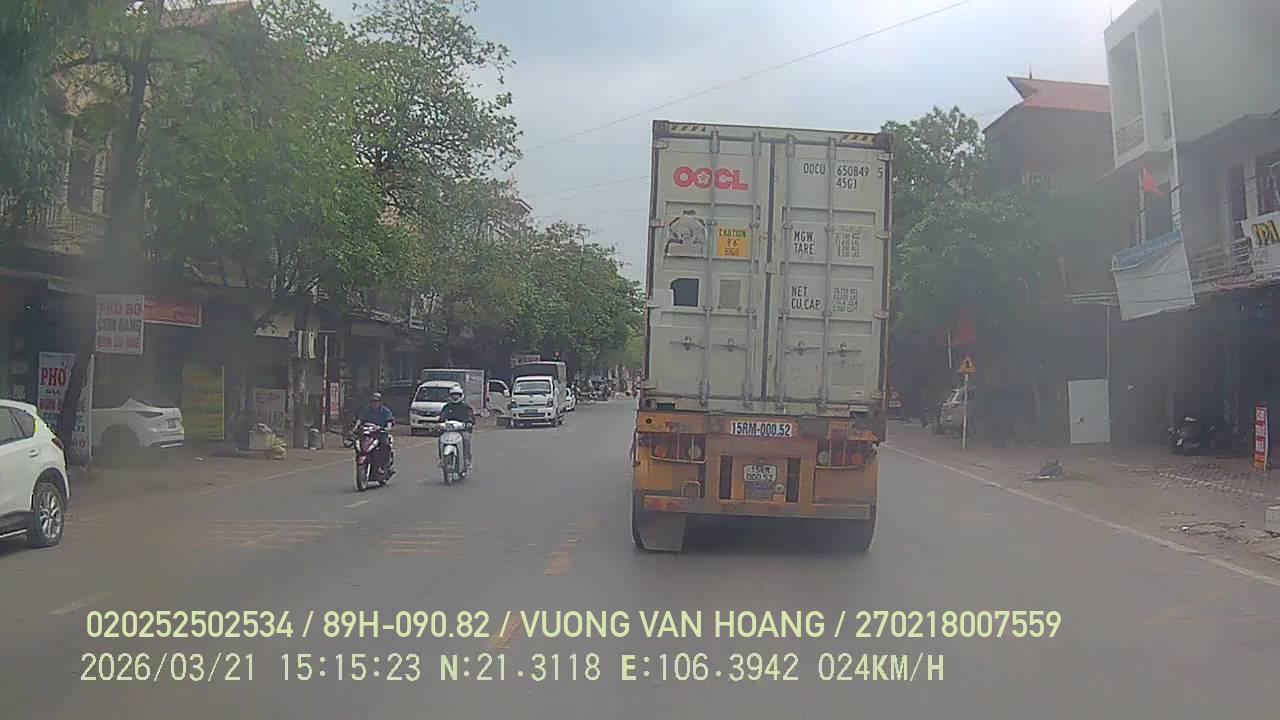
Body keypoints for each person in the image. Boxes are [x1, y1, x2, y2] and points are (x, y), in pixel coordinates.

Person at [356, 391, 395, 471]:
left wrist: (387, 428)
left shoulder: (385, 411)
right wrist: (355, 428)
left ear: (380, 402)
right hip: (368, 434)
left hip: (380, 434)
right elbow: (360, 420)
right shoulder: (366, 410)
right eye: (372, 401)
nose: (374, 403)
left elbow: (389, 422)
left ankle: (382, 465)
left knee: (384, 444)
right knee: (358, 444)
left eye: (376, 401)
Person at [439, 387, 475, 468]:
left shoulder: (465, 407)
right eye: (453, 395)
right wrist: (439, 423)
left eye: (457, 395)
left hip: (462, 429)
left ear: (461, 396)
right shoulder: (447, 407)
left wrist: (469, 422)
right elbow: (442, 417)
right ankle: (442, 459)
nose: (455, 397)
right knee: (441, 439)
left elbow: (470, 416)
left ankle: (467, 459)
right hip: (449, 429)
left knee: (466, 438)